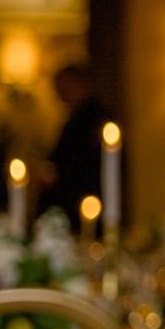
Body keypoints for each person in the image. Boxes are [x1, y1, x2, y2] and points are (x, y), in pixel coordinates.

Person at [41, 63, 110, 226]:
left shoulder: (93, 118)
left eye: (62, 87)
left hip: (82, 200)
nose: (58, 95)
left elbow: (80, 161)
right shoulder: (76, 118)